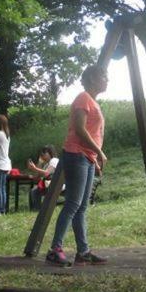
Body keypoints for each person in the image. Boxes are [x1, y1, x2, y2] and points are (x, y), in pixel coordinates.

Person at [46, 65, 109, 266]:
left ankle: (83, 252)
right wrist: (99, 152)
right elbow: (80, 130)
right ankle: (55, 249)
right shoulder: (83, 98)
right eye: (104, 76)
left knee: (81, 207)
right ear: (92, 78)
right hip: (76, 155)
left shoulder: (92, 101)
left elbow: (92, 132)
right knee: (73, 204)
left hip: (87, 158)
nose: (107, 80)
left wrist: (95, 159)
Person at [26, 144, 60, 211]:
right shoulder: (47, 163)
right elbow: (37, 177)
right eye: (42, 154)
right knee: (33, 191)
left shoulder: (54, 160)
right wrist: (39, 163)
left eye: (44, 153)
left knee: (35, 191)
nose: (43, 155)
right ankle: (35, 209)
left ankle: (37, 209)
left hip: (56, 184)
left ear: (50, 152)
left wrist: (35, 168)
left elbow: (47, 173)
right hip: (48, 183)